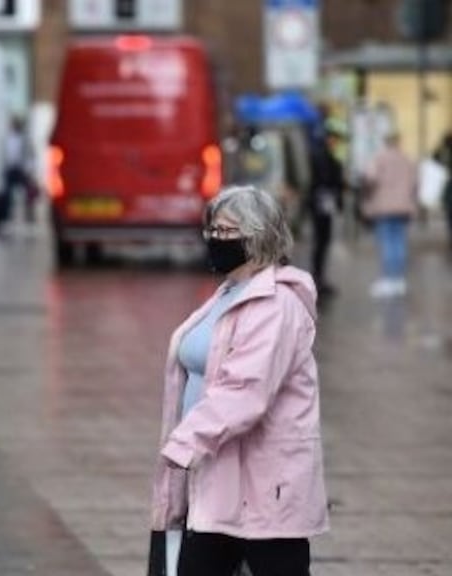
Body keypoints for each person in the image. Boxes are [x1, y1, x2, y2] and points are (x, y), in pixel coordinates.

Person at [150, 185, 329, 576]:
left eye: (226, 231)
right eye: (211, 230)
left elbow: (245, 391)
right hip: (219, 471)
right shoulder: (230, 292)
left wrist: (183, 443)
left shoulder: (277, 304)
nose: (214, 239)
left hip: (266, 486)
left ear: (258, 234)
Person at [362, 132, 418, 298]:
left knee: (386, 243)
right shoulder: (407, 160)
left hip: (383, 207)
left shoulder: (379, 158)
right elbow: (415, 184)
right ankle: (399, 280)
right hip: (403, 207)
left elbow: (370, 179)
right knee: (400, 243)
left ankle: (387, 280)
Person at [306, 129, 346, 297]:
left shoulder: (321, 155)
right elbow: (327, 179)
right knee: (322, 240)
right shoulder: (323, 156)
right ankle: (318, 277)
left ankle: (319, 276)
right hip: (322, 202)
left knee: (322, 240)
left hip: (321, 202)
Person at [1, 115, 37, 226]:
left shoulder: (25, 139)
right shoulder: (7, 138)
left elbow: (31, 155)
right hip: (11, 168)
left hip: (23, 169)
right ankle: (6, 215)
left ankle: (29, 214)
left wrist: (30, 170)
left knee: (29, 193)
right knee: (7, 194)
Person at [432, 131, 452, 250]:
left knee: (449, 213)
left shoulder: (444, 153)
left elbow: (434, 157)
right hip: (448, 185)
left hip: (449, 184)